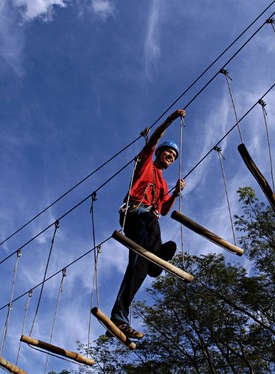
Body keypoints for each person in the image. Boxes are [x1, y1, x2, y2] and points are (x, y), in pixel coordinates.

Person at [109, 109, 186, 339]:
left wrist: (175, 194)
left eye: (174, 156)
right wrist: (171, 119)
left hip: (147, 222)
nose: (171, 157)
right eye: (168, 153)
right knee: (151, 220)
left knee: (139, 264)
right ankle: (157, 259)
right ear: (159, 153)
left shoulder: (163, 182)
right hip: (133, 213)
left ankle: (119, 317)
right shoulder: (145, 164)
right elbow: (154, 139)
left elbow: (163, 208)